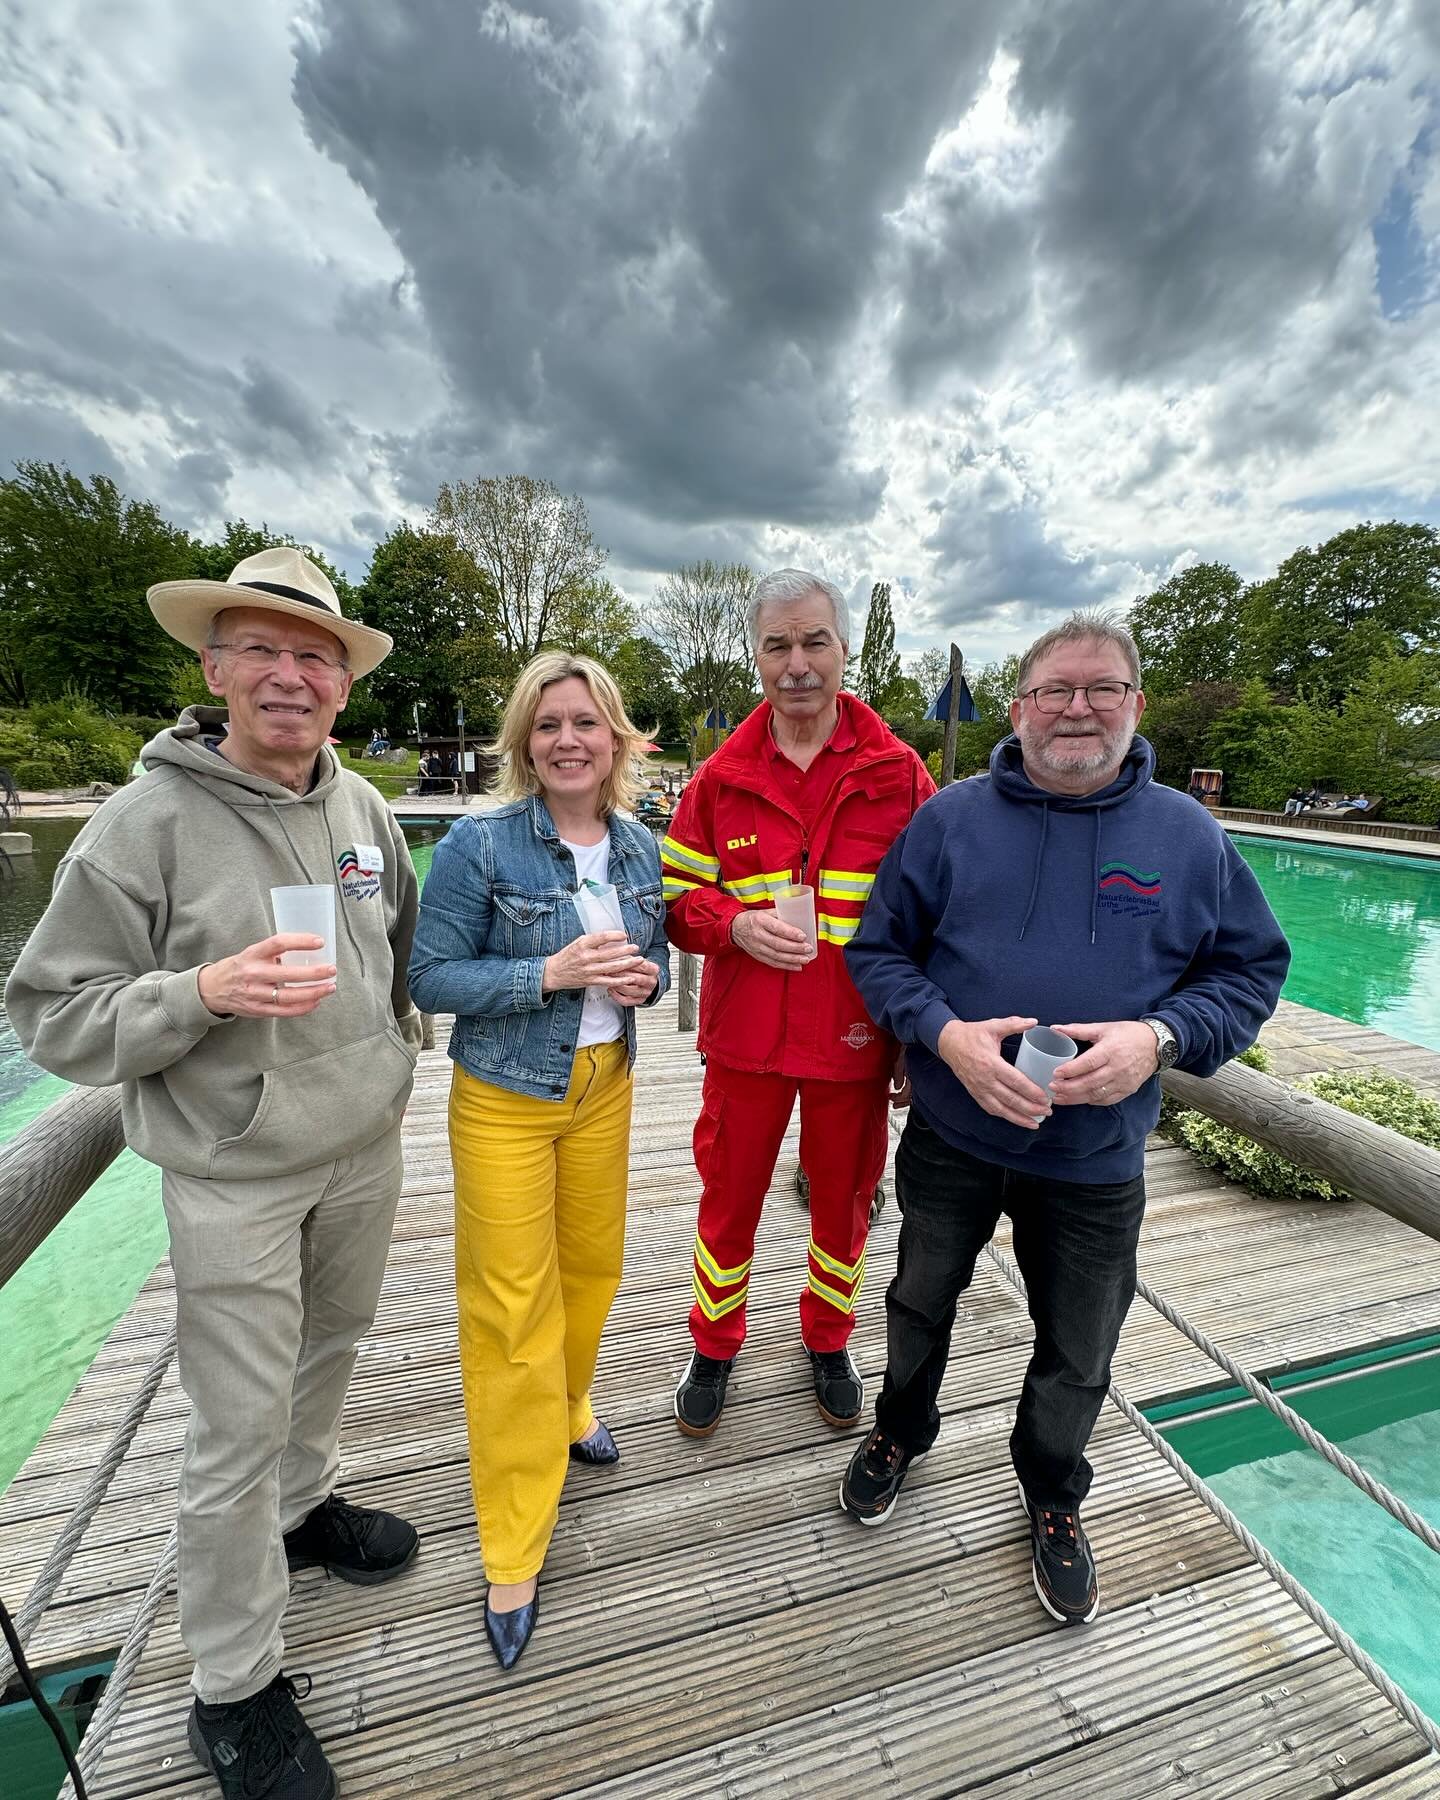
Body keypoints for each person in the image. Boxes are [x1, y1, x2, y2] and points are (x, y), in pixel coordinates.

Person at [7, 547, 423, 1800]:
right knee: (231, 1430)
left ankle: (305, 1512)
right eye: (261, 649)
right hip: (234, 1177)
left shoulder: (361, 808)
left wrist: (392, 1047)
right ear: (214, 667)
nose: (289, 675)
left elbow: (393, 937)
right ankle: (232, 1686)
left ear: (343, 683)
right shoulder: (144, 824)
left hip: (362, 1146)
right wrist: (196, 995)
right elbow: (49, 1014)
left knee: (334, 1348)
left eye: (314, 655)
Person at [836, 611, 1290, 1627]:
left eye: (1102, 690)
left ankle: (1051, 1488)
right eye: (1055, 691)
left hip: (1094, 1154)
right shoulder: (949, 819)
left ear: (1135, 705)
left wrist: (1162, 1041)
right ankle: (901, 1428)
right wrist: (944, 1036)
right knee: (917, 1297)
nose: (1076, 709)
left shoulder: (1187, 834)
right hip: (955, 1133)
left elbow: (1250, 971)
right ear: (1019, 707)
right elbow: (878, 953)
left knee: (1080, 1344)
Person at [408, 652, 669, 1672]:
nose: (568, 739)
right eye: (548, 724)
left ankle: (569, 1409)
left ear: (615, 739)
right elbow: (430, 979)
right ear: (524, 742)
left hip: (605, 1086)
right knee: (512, 1307)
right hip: (507, 1100)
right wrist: (547, 970)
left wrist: (637, 983)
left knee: (593, 1269)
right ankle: (514, 1541)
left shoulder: (643, 848)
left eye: (586, 723)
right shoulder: (479, 846)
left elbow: (640, 967)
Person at [662, 568, 935, 1439]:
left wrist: (910, 1041)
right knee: (728, 1199)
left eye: (815, 640)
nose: (797, 663)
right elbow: (672, 900)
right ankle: (715, 1343)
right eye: (778, 644)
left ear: (845, 649)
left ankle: (828, 1337)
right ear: (756, 656)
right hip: (745, 1040)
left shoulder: (901, 777)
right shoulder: (719, 779)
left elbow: (936, 918)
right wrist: (734, 927)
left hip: (854, 1042)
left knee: (846, 1201)